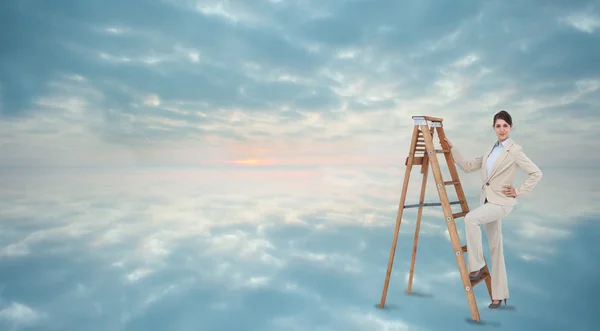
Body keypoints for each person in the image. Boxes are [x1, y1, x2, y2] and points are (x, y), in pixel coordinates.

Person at [444, 110, 542, 309]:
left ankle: (477, 266)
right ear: (493, 128)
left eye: (505, 126)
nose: (502, 129)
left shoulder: (514, 150)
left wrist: (518, 191)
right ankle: (499, 295)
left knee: (471, 219)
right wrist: (452, 148)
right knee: (496, 247)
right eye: (498, 126)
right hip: (488, 201)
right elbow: (468, 166)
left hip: (502, 203)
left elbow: (536, 173)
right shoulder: (490, 149)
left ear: (510, 127)